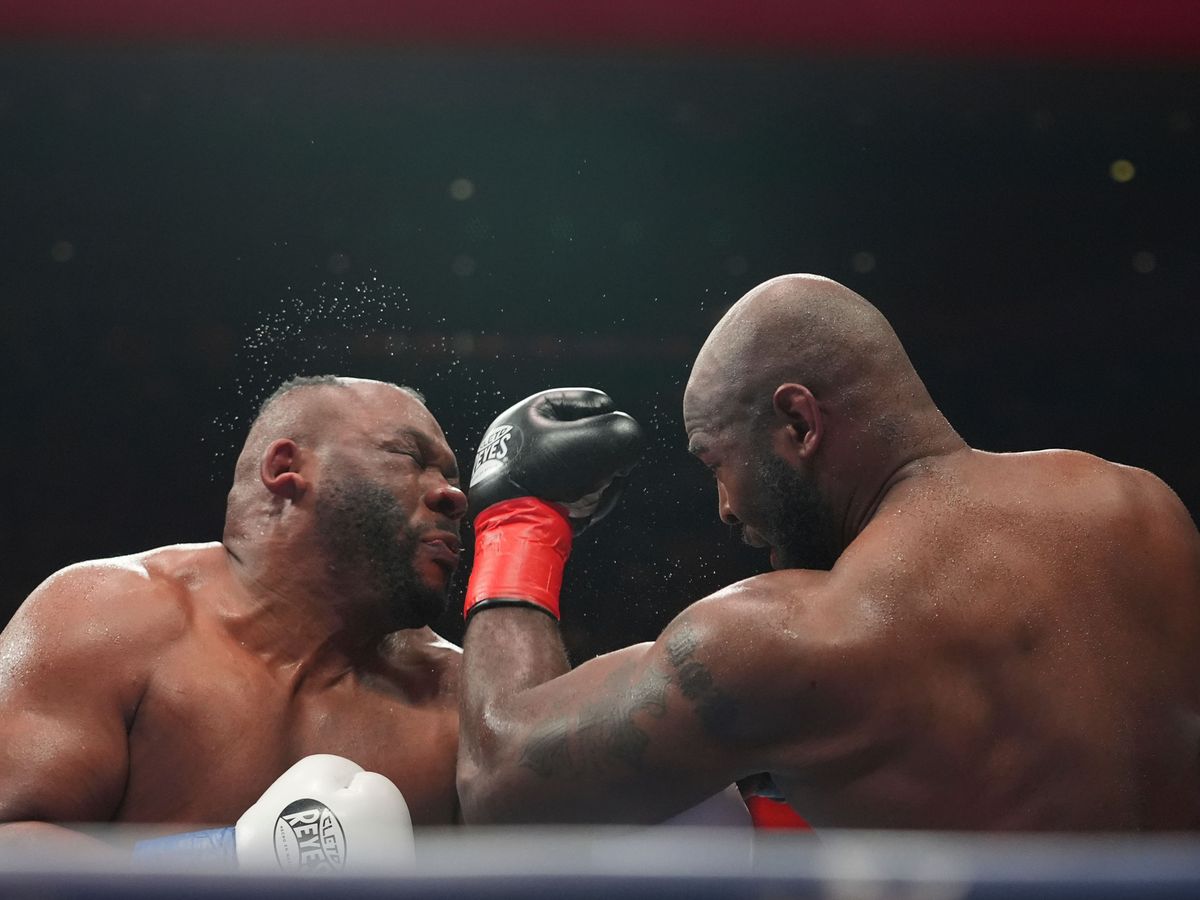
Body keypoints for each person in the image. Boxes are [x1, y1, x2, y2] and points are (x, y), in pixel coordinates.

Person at [456, 274, 1200, 830]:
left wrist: (518, 521)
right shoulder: (1140, 508)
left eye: (717, 463)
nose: (724, 507)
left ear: (799, 423)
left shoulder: (786, 640)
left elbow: (499, 777)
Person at [0, 375, 467, 851]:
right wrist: (220, 862)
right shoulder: (110, 616)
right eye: (411, 459)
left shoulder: (455, 698)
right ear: (286, 467)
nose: (453, 496)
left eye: (452, 477)